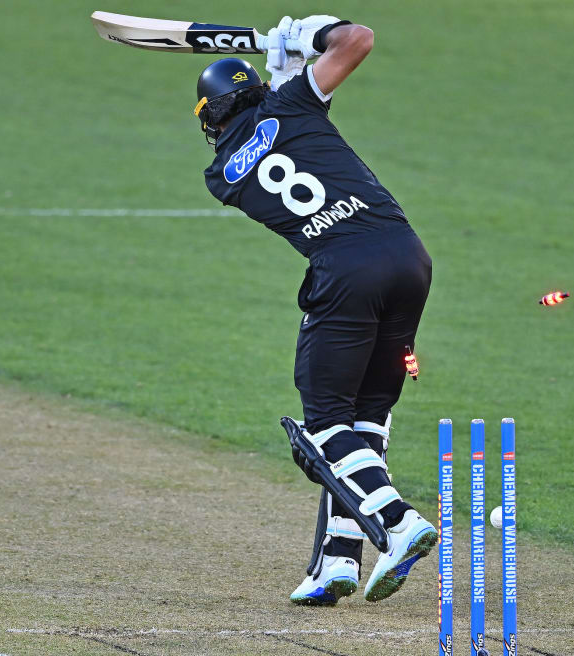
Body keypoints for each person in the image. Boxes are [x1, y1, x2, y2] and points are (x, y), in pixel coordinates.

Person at [194, 15, 436, 605]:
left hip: (345, 273)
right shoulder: (295, 106)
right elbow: (358, 38)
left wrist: (288, 70)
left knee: (325, 424)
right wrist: (309, 35)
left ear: (209, 120)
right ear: (258, 92)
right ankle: (337, 562)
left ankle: (399, 524)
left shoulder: (221, 175)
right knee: (365, 419)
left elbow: (265, 136)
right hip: (409, 257)